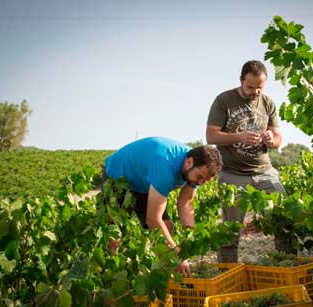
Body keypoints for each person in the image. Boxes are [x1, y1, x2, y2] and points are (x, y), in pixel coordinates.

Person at [206, 60, 291, 263]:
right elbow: (211, 136)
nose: (255, 92)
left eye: (259, 87)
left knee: (284, 222)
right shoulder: (224, 100)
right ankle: (227, 275)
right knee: (229, 233)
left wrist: (272, 140)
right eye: (250, 87)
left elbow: (278, 138)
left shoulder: (268, 103)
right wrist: (240, 137)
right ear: (241, 81)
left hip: (265, 172)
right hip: (233, 174)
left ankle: (288, 267)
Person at [103, 136, 222, 275]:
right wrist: (177, 254)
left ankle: (165, 271)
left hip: (145, 182)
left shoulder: (196, 166)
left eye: (205, 181)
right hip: (118, 176)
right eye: (200, 177)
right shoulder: (165, 166)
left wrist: (193, 237)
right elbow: (153, 219)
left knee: (168, 225)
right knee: (115, 237)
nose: (200, 183)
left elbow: (185, 203)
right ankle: (110, 274)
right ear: (189, 162)